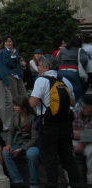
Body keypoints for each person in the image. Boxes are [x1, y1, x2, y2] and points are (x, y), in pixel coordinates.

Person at [29, 54, 80, 188]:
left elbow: (33, 103)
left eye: (39, 65)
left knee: (49, 159)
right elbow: (73, 102)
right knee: (68, 158)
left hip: (48, 125)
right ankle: (78, 185)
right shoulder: (65, 80)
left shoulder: (41, 80)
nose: (38, 67)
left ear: (46, 66)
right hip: (65, 124)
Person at [2, 96, 39, 188]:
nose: (14, 107)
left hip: (31, 144)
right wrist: (8, 144)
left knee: (32, 154)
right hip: (18, 142)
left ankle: (34, 183)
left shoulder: (32, 118)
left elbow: (35, 138)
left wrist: (22, 149)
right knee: (5, 153)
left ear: (23, 107)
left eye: (16, 105)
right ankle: (17, 180)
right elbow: (11, 131)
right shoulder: (14, 116)